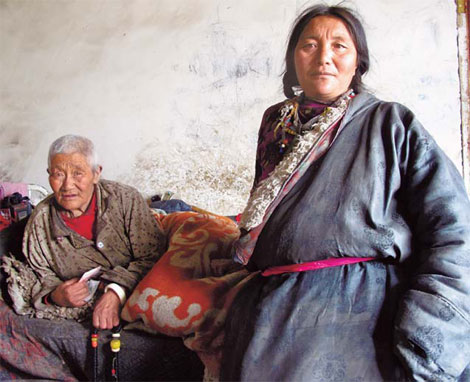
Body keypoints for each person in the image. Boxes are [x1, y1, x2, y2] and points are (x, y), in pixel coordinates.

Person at [221, 5, 470, 381]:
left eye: (340, 46)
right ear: (293, 59)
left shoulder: (390, 123)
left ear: (358, 63)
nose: (324, 57)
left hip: (357, 315)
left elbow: (453, 228)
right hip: (269, 317)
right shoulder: (275, 126)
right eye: (309, 45)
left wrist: (429, 322)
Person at [22, 134, 166, 329]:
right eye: (58, 174)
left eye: (78, 173)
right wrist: (56, 295)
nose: (67, 185)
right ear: (49, 175)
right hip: (83, 309)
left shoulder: (124, 199)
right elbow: (37, 276)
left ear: (96, 173)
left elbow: (154, 256)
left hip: (138, 291)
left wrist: (116, 291)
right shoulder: (40, 223)